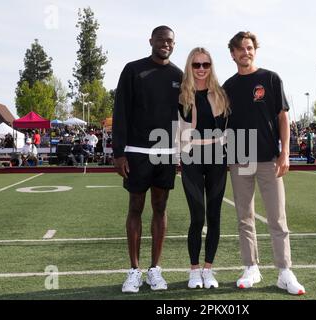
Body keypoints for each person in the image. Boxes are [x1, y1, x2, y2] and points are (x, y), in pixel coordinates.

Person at [223, 31, 305, 295]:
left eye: (249, 48)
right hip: (240, 160)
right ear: (233, 54)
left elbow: (283, 117)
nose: (245, 52)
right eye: (240, 49)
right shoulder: (228, 86)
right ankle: (251, 267)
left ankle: (284, 271)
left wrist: (285, 154)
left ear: (254, 50)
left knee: (277, 218)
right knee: (244, 218)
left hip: (269, 159)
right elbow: (225, 125)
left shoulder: (270, 78)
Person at [112, 26, 183, 293]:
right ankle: (133, 270)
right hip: (137, 152)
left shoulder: (179, 75)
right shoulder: (133, 70)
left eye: (171, 41)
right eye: (162, 40)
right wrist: (119, 152)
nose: (166, 44)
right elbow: (120, 111)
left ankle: (155, 269)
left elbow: (186, 116)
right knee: (135, 207)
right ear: (151, 41)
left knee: (161, 208)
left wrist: (181, 151)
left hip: (166, 153)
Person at [178, 47, 230, 289]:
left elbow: (230, 127)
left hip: (217, 157)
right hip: (191, 157)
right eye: (196, 64)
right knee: (197, 216)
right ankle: (194, 270)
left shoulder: (220, 94)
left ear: (211, 67)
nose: (201, 69)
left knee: (214, 216)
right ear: (190, 66)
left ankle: (208, 269)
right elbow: (174, 129)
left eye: (205, 64)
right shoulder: (181, 95)